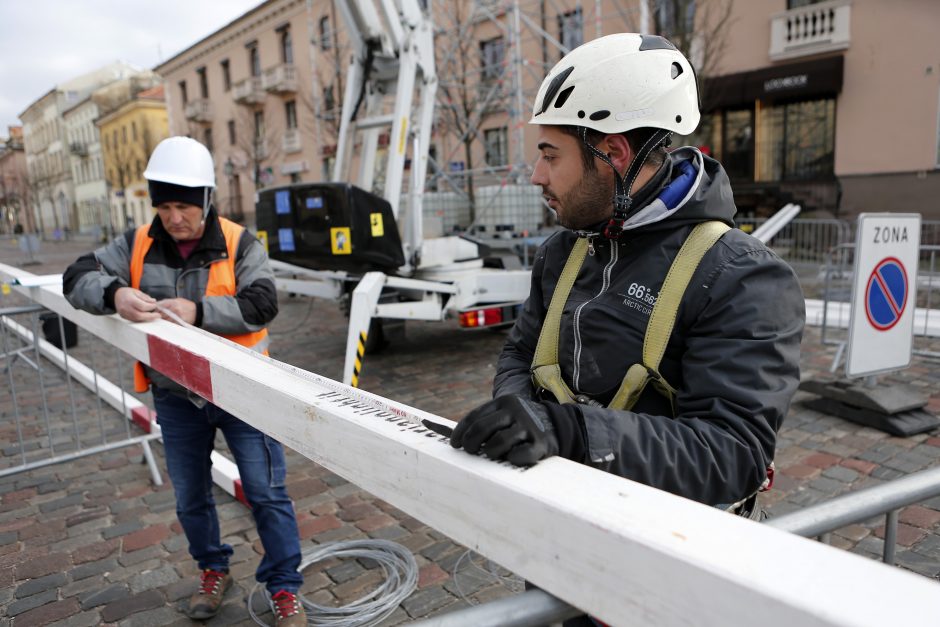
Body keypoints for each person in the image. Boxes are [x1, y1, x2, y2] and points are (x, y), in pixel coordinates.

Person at [451, 34, 804, 515]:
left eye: (551, 155)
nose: (536, 175)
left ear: (613, 154)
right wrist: (520, 416)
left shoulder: (741, 276)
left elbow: (734, 454)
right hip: (562, 516)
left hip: (674, 548)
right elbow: (522, 349)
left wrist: (569, 432)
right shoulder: (564, 250)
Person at [63, 137, 306, 625]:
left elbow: (262, 303)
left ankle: (284, 588)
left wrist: (198, 311)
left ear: (207, 201)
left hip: (242, 394)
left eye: (185, 207)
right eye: (166, 206)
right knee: (190, 496)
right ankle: (214, 569)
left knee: (266, 493)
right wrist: (112, 294)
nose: (175, 217)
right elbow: (76, 275)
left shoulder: (240, 242)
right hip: (177, 398)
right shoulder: (136, 243)